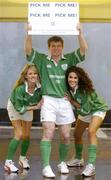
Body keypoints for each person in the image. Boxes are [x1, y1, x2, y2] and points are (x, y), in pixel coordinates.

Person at [24, 23, 88, 178]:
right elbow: (28, 50)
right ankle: (46, 166)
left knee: (66, 135)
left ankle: (61, 162)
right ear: (49, 47)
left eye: (59, 46)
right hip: (48, 101)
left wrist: (80, 33)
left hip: (64, 102)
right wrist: (29, 32)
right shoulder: (41, 60)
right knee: (49, 132)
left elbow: (83, 50)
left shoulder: (70, 59)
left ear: (62, 47)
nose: (56, 48)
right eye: (53, 46)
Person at [65, 66, 108, 177]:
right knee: (77, 134)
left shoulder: (85, 91)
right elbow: (82, 109)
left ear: (79, 80)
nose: (72, 80)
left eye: (75, 78)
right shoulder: (68, 88)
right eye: (70, 77)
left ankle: (91, 166)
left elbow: (84, 111)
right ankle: (78, 159)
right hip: (85, 109)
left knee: (91, 132)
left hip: (97, 109)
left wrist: (72, 102)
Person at [4, 64, 42, 173]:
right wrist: (35, 106)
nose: (33, 75)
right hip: (15, 108)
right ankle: (8, 162)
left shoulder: (40, 88)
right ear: (25, 76)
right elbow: (20, 109)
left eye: (35, 73)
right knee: (19, 134)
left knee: (26, 135)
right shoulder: (20, 89)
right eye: (30, 73)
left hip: (28, 108)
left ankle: (22, 158)